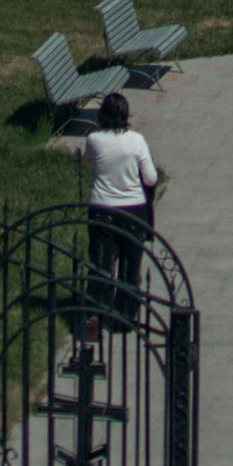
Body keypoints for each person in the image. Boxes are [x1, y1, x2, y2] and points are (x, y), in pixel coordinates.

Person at [82, 88, 162, 317]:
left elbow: (88, 163)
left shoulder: (94, 140)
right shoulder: (136, 141)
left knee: (101, 263)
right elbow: (151, 178)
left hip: (101, 208)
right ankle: (125, 316)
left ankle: (96, 313)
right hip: (134, 211)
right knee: (130, 265)